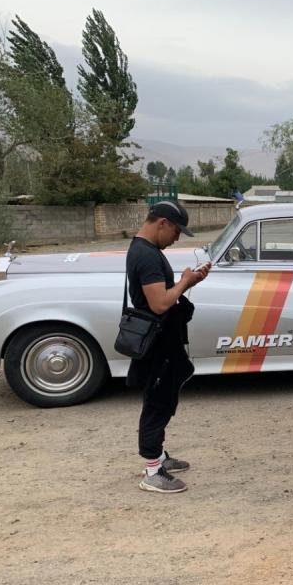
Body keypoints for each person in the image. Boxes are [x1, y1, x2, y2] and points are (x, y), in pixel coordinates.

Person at [126, 201, 209, 494]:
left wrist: (190, 281)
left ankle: (158, 455)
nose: (176, 238)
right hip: (158, 343)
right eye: (176, 231)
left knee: (164, 395)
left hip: (164, 341)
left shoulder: (147, 251)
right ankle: (152, 470)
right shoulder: (146, 256)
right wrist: (185, 281)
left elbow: (163, 296)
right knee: (158, 400)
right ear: (162, 223)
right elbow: (160, 303)